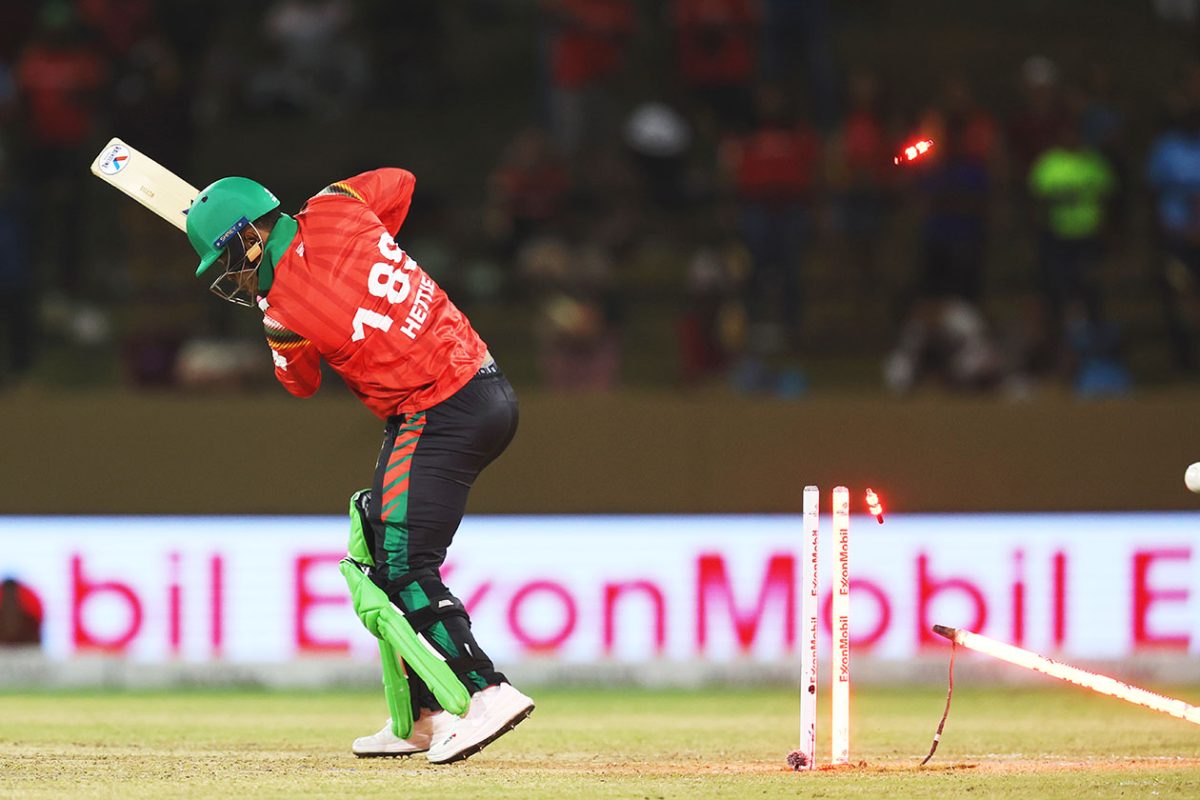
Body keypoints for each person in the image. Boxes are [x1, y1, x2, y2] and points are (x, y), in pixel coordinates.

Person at [184, 168, 533, 763]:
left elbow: (299, 383)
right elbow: (401, 180)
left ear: (248, 238)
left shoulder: (284, 310)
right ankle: (421, 716)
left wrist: (275, 316)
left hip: (438, 410)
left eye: (230, 258)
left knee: (402, 565)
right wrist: (376, 248)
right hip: (482, 385)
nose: (234, 276)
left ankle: (485, 692)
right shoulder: (337, 206)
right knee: (377, 543)